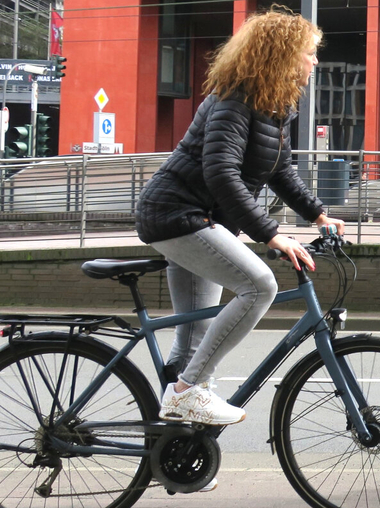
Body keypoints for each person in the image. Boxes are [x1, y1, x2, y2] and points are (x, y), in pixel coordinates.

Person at [135, 10, 345, 442]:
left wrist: (318, 214)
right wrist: (271, 234)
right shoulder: (235, 100)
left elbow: (280, 170)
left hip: (202, 219)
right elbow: (221, 173)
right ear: (283, 57)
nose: (314, 63)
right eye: (309, 54)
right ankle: (187, 392)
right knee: (259, 285)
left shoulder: (273, 105)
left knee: (192, 340)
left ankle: (174, 450)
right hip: (177, 214)